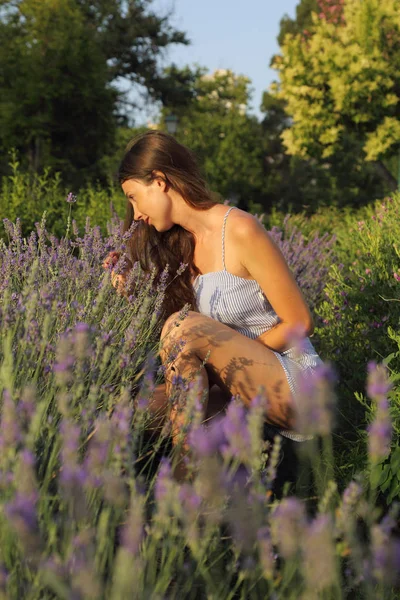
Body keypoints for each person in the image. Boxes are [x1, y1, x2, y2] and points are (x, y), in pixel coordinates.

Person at [103, 130, 323, 492]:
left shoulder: (239, 229)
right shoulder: (184, 246)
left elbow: (300, 322)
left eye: (133, 197)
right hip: (239, 390)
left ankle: (184, 484)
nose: (136, 213)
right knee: (124, 412)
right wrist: (130, 293)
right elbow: (177, 346)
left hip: (293, 386)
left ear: (159, 182)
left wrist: (227, 354)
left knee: (183, 326)